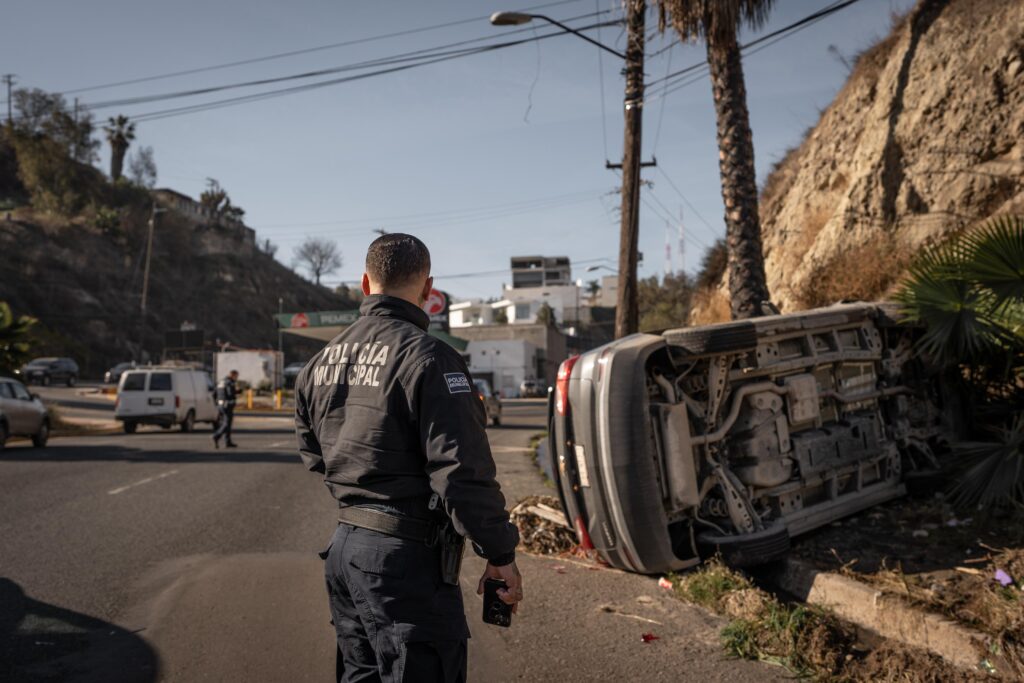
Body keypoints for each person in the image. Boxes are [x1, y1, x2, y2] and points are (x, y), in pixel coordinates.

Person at [295, 234, 522, 683]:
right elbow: (461, 473)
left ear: (364, 283)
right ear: (428, 289)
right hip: (406, 562)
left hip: (346, 550)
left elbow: (315, 455)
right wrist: (499, 553)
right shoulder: (432, 358)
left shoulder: (317, 363)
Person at [212, 369, 238, 448]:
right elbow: (230, 394)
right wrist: (237, 393)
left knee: (227, 423)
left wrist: (217, 403)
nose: (236, 378)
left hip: (220, 405)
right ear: (233, 375)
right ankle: (216, 435)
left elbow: (214, 394)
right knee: (226, 423)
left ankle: (228, 441)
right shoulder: (230, 383)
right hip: (227, 405)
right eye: (236, 376)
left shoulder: (221, 382)